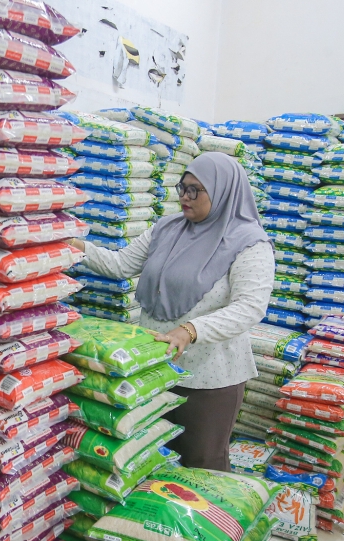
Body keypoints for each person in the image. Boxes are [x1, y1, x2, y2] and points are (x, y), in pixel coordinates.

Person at [66, 151, 275, 471]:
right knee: (155, 457)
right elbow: (121, 265)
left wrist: (190, 331)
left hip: (209, 378)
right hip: (156, 367)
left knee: (202, 463)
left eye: (195, 190)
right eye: (182, 188)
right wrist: (76, 245)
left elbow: (249, 307)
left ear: (222, 191)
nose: (184, 197)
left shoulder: (249, 242)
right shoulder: (166, 229)